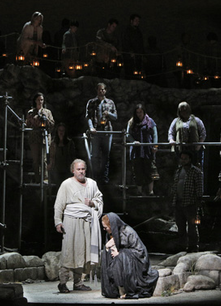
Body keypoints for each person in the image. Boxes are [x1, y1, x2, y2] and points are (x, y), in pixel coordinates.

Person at [54, 159, 104, 293]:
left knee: (82, 251)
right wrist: (58, 221)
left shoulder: (92, 184)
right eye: (78, 169)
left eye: (83, 169)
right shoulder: (66, 184)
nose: (81, 171)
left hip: (86, 221)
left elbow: (99, 198)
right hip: (71, 220)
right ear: (73, 170)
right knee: (69, 250)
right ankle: (63, 282)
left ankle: (78, 282)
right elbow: (59, 204)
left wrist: (92, 203)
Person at [101, 212, 159, 299]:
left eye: (106, 227)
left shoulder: (128, 232)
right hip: (121, 259)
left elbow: (140, 252)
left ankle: (128, 290)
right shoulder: (110, 233)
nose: (104, 229)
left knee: (121, 258)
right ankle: (115, 289)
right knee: (110, 255)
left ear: (112, 226)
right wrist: (107, 247)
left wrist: (120, 254)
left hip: (137, 260)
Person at [170, 151, 203, 252]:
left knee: (192, 226)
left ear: (189, 159)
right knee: (180, 226)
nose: (183, 160)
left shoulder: (196, 172)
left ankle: (193, 246)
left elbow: (199, 188)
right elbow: (175, 185)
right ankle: (182, 245)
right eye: (182, 158)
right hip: (179, 202)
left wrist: (198, 201)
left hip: (190, 202)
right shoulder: (178, 171)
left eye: (185, 158)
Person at [85, 83, 117, 183]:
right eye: (99, 90)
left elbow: (115, 117)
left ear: (105, 90)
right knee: (94, 155)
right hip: (96, 131)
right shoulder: (91, 102)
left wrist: (109, 114)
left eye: (102, 90)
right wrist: (91, 128)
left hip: (107, 131)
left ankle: (104, 178)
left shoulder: (110, 102)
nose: (101, 91)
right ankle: (94, 177)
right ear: (96, 90)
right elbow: (88, 116)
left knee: (105, 155)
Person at [126, 104, 158, 195]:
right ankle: (139, 191)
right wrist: (133, 141)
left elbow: (154, 133)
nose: (139, 114)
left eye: (141, 112)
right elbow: (128, 134)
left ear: (144, 112)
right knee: (137, 170)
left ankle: (150, 191)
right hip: (137, 151)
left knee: (150, 170)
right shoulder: (132, 122)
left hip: (148, 150)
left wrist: (155, 145)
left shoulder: (150, 121)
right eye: (137, 112)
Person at [26, 92, 55, 183]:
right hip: (34, 138)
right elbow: (28, 124)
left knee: (44, 159)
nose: (40, 102)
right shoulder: (31, 113)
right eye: (38, 100)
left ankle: (44, 178)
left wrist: (46, 120)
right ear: (35, 101)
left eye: (41, 100)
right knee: (35, 160)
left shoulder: (47, 112)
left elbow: (52, 124)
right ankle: (37, 179)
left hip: (44, 138)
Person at [168, 101, 206, 169]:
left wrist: (199, 144)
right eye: (181, 111)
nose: (184, 112)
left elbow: (203, 132)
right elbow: (171, 132)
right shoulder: (176, 121)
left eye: (185, 110)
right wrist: (171, 140)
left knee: (196, 167)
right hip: (181, 149)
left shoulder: (196, 120)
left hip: (194, 149)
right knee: (181, 168)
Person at [122, 14, 145, 79]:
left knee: (138, 72)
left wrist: (142, 54)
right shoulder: (127, 31)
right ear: (131, 21)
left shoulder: (138, 31)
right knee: (129, 73)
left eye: (138, 21)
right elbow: (125, 42)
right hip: (129, 56)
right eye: (136, 20)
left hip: (138, 56)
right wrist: (130, 52)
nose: (137, 22)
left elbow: (141, 43)